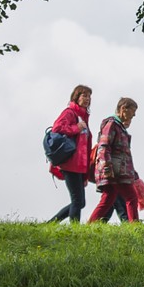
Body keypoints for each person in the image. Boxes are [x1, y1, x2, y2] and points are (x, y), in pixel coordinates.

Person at [87, 97, 140, 223]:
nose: (134, 115)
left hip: (117, 169)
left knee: (108, 199)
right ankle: (135, 226)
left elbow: (124, 153)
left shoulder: (119, 127)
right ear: (123, 109)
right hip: (115, 170)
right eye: (132, 111)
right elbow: (104, 146)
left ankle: (90, 224)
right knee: (131, 197)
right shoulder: (111, 124)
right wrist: (107, 167)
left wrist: (134, 173)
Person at [46, 84, 95, 223]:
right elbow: (57, 128)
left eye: (89, 96)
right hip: (70, 163)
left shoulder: (84, 117)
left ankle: (51, 224)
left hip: (79, 165)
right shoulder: (70, 112)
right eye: (84, 95)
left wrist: (85, 174)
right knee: (78, 201)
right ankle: (74, 230)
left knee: (80, 202)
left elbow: (85, 147)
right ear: (76, 97)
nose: (87, 99)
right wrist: (76, 128)